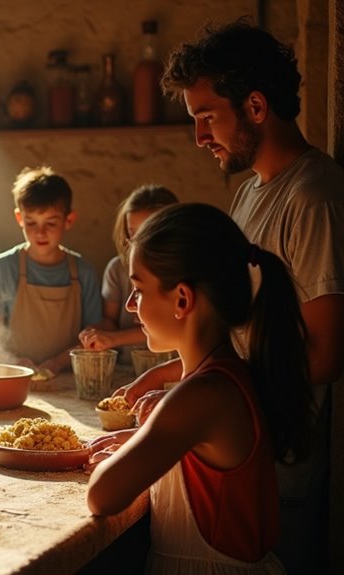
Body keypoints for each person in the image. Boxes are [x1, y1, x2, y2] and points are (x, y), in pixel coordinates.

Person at [119, 20, 344, 572]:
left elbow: (324, 353)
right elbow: (239, 335)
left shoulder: (313, 197)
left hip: (276, 464)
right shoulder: (248, 195)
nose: (199, 137)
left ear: (257, 107)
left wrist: (203, 410)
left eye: (207, 118)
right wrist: (173, 380)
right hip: (232, 444)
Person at [87, 203, 313, 573]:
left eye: (139, 290)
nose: (130, 306)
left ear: (182, 299)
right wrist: (145, 442)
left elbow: (102, 496)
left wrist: (139, 445)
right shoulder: (225, 378)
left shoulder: (200, 397)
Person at [0, 166, 102, 377]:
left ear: (69, 220)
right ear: (19, 218)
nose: (40, 232)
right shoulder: (3, 268)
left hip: (69, 377)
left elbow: (94, 337)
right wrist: (12, 362)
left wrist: (57, 364)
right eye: (31, 223)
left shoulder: (84, 273)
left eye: (51, 223)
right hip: (13, 375)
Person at [78, 184, 179, 362]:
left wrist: (114, 338)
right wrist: (95, 334)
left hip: (168, 362)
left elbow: (169, 324)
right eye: (133, 233)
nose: (139, 242)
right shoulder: (117, 269)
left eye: (148, 232)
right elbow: (110, 320)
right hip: (127, 363)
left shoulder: (178, 271)